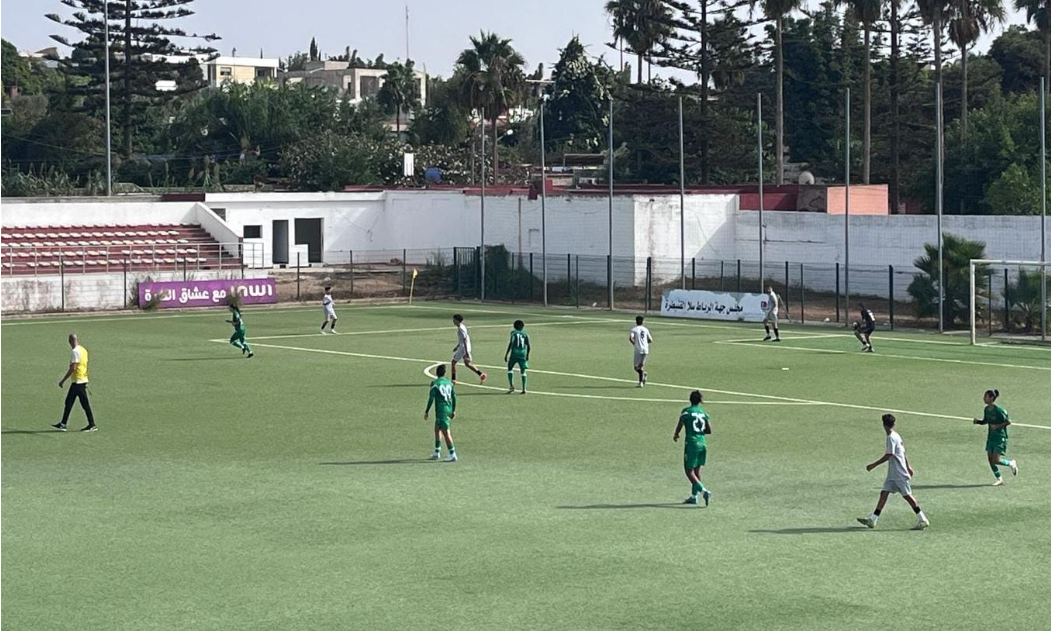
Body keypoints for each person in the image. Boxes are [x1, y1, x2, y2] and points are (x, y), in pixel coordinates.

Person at [857, 414, 930, 530]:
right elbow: (903, 453)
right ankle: (873, 519)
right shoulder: (896, 436)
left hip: (899, 473)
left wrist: (873, 465)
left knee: (907, 496)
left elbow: (889, 455)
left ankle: (923, 519)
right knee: (884, 493)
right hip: (893, 474)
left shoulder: (891, 437)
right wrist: (909, 466)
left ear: (883, 425)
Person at [673, 390, 712, 506]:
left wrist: (676, 434)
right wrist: (700, 431)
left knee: (688, 471)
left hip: (691, 443)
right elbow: (709, 430)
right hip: (703, 443)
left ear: (690, 400)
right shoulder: (703, 413)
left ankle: (704, 491)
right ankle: (694, 497)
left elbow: (681, 423)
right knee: (697, 471)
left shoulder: (686, 411)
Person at [52, 333, 97, 432]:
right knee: (69, 402)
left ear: (71, 341)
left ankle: (92, 424)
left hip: (78, 381)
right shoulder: (83, 350)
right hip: (82, 379)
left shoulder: (75, 352)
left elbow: (73, 368)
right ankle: (63, 423)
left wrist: (63, 380)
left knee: (83, 404)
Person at [973, 389, 1017, 486]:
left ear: (992, 398)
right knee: (990, 459)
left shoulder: (999, 410)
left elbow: (1008, 422)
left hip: (999, 438)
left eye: (986, 396)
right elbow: (986, 421)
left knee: (996, 460)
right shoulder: (986, 409)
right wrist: (978, 422)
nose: (984, 398)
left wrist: (997, 426)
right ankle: (999, 479)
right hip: (991, 437)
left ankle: (1011, 463)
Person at [425, 364, 458, 462]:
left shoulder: (435, 383)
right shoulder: (449, 383)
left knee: (446, 432)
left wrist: (426, 411)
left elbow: (431, 398)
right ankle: (437, 451)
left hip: (441, 410)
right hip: (447, 408)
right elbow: (454, 397)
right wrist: (453, 410)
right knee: (437, 429)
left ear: (436, 373)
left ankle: (453, 454)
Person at [450, 314, 486, 384]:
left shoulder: (461, 329)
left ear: (457, 320)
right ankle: (481, 374)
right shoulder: (462, 326)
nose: (453, 321)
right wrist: (457, 346)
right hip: (463, 346)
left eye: (454, 319)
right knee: (467, 363)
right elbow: (463, 339)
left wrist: (466, 352)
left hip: (463, 348)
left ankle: (453, 379)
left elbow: (464, 340)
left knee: (453, 362)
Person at [504, 319, 530, 394]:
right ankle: (524, 389)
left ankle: (511, 386)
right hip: (522, 355)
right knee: (523, 371)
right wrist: (527, 355)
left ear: (514, 327)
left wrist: (506, 354)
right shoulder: (525, 334)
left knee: (510, 368)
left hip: (514, 354)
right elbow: (528, 346)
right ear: (522, 327)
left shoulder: (513, 333)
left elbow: (511, 343)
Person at [629, 316, 652, 388]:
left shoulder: (634, 330)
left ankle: (640, 382)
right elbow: (650, 340)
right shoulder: (646, 329)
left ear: (636, 321)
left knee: (636, 367)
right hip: (645, 350)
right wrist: (645, 344)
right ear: (642, 322)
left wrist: (635, 344)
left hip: (638, 350)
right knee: (640, 366)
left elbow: (630, 338)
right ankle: (643, 376)